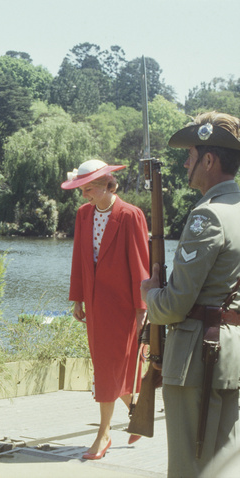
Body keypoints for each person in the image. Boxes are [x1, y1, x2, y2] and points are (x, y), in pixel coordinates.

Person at [141, 112, 240, 477]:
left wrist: (149, 294)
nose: (186, 162)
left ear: (209, 161)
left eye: (192, 155)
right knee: (226, 464)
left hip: (197, 360)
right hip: (231, 355)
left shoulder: (208, 217)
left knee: (189, 466)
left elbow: (173, 305)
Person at [62, 159, 149, 459]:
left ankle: (104, 434)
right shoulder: (84, 215)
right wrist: (78, 298)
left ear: (108, 185)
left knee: (108, 368)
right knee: (105, 365)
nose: (85, 195)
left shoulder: (130, 215)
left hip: (123, 305)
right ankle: (138, 412)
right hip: (95, 304)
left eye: (89, 189)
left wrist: (142, 308)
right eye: (82, 190)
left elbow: (140, 265)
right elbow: (78, 258)